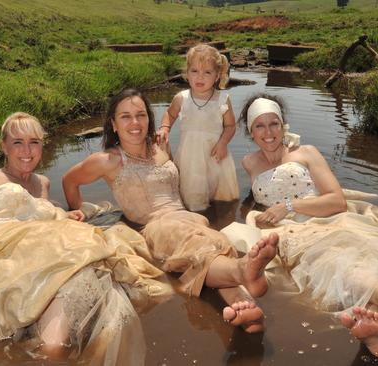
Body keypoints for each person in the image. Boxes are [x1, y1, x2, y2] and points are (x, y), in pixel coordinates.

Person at [226, 94, 378, 360]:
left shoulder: (306, 153)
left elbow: (336, 200)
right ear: (250, 130)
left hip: (324, 218)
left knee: (341, 254)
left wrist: (290, 207)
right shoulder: (248, 162)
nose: (268, 132)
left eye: (274, 123)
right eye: (260, 125)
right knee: (329, 262)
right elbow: (252, 199)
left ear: (283, 125)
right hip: (284, 230)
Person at [0, 112, 168, 364]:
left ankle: (48, 347)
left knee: (87, 268)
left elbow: (40, 224)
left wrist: (62, 215)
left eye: (34, 142)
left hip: (35, 254)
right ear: (3, 146)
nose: (27, 150)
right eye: (17, 142)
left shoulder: (43, 184)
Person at [62, 89, 278, 333]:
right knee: (197, 247)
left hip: (188, 219)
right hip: (157, 226)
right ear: (113, 124)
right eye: (125, 116)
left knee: (211, 245)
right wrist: (76, 212)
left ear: (149, 119)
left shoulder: (160, 147)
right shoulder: (108, 160)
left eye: (141, 115)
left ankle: (246, 312)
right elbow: (70, 181)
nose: (135, 123)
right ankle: (243, 272)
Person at [156, 44, 239, 211]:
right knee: (193, 196)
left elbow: (230, 126)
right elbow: (170, 114)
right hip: (190, 157)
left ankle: (221, 220)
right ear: (187, 73)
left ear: (217, 76)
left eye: (207, 72)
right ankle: (197, 219)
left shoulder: (222, 99)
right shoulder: (182, 98)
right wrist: (165, 128)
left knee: (221, 198)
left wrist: (222, 143)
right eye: (194, 71)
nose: (200, 77)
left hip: (216, 154)